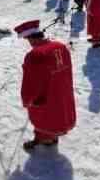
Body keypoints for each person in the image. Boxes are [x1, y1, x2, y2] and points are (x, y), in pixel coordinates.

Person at [16, 20, 76, 151]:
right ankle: (53, 137)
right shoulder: (60, 46)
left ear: (31, 38)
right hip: (62, 91)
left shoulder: (35, 55)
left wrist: (27, 100)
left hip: (46, 96)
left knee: (44, 119)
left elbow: (30, 83)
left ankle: (44, 141)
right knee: (58, 116)